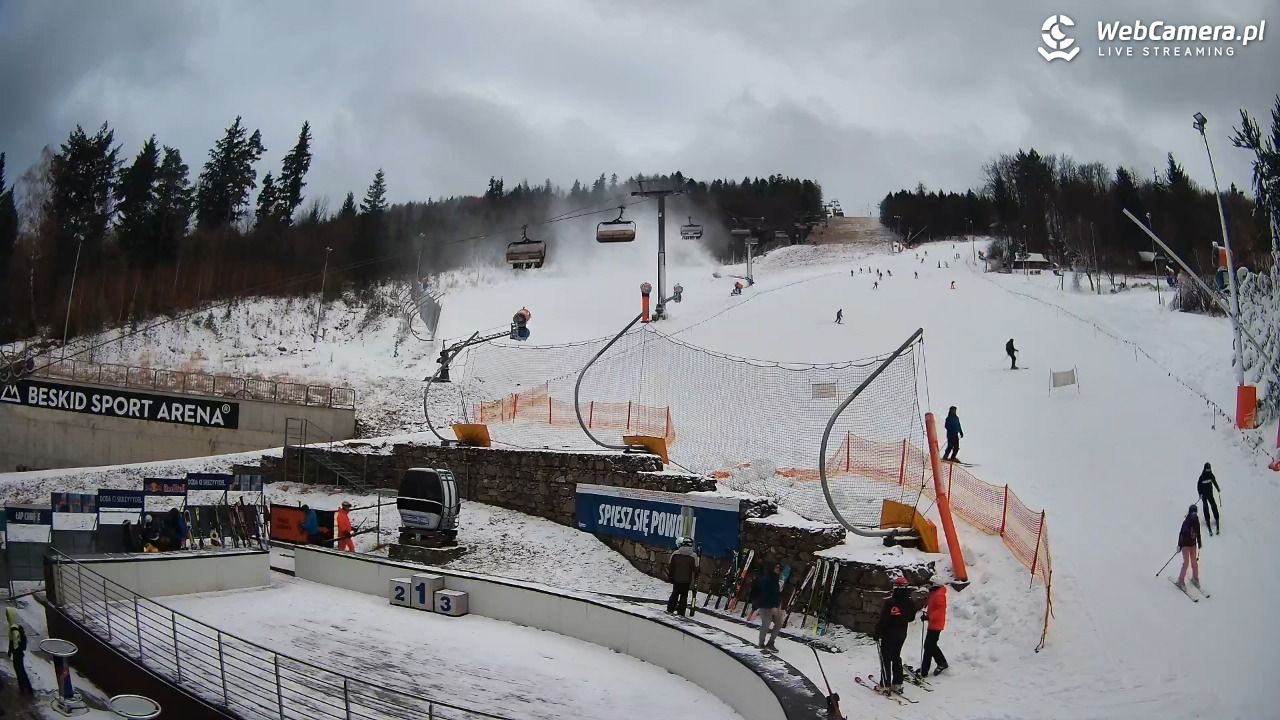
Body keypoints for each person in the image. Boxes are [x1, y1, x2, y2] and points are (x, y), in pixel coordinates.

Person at [874, 576, 917, 693]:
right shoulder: (910, 602)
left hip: (889, 634)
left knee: (885, 658)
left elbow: (883, 620)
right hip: (902, 633)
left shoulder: (891, 602)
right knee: (896, 657)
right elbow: (912, 618)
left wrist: (877, 633)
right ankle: (897, 683)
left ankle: (885, 684)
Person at [918, 578, 949, 676]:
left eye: (931, 584)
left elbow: (939, 611)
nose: (929, 585)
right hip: (933, 623)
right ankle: (942, 662)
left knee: (928, 647)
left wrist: (928, 617)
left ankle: (924, 671)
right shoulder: (935, 593)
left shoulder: (939, 595)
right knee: (930, 645)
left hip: (936, 624)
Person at [750, 562, 783, 650]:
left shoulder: (775, 579)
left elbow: (776, 594)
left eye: (779, 568)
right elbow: (765, 595)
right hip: (765, 606)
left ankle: (771, 642)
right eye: (776, 567)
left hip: (774, 606)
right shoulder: (767, 580)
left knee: (779, 624)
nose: (778, 569)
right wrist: (772, 606)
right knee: (766, 624)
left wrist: (777, 604)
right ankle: (761, 643)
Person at [667, 538, 699, 615]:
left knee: (674, 594)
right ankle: (681, 612)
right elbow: (696, 569)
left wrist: (670, 576)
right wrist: (696, 578)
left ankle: (670, 609)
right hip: (687, 580)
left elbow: (670, 565)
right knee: (684, 596)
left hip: (676, 579)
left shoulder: (675, 553)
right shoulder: (694, 556)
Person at [7, 608, 32, 697]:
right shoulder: (14, 627)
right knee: (20, 671)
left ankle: (26, 689)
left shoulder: (14, 630)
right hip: (18, 654)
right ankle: (25, 688)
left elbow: (15, 643)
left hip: (17, 654)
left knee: (20, 671)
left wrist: (12, 652)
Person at [1176, 504, 1202, 591]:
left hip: (1193, 544)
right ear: (1190, 513)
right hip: (1185, 545)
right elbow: (1181, 534)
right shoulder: (1186, 522)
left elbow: (1198, 532)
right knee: (1186, 562)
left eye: (1195, 513)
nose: (1194, 515)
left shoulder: (1196, 521)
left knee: (1194, 562)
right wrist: (1179, 545)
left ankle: (1195, 578)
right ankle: (1180, 580)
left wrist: (1199, 541)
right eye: (1193, 513)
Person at [1197, 462, 1221, 535]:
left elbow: (1214, 481)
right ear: (1204, 469)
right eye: (1207, 470)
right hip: (1204, 495)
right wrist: (1200, 494)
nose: (1208, 471)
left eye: (1209, 470)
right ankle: (1207, 519)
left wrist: (1217, 488)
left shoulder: (1211, 475)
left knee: (1214, 506)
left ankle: (1216, 517)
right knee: (1205, 507)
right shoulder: (1202, 477)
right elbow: (1198, 486)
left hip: (1210, 494)